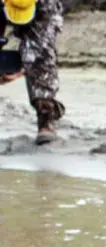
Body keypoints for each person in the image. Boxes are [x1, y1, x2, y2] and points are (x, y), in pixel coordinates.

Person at [0, 0, 65, 145]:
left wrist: (23, 69)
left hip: (42, 10)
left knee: (41, 59)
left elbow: (39, 52)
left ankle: (46, 118)